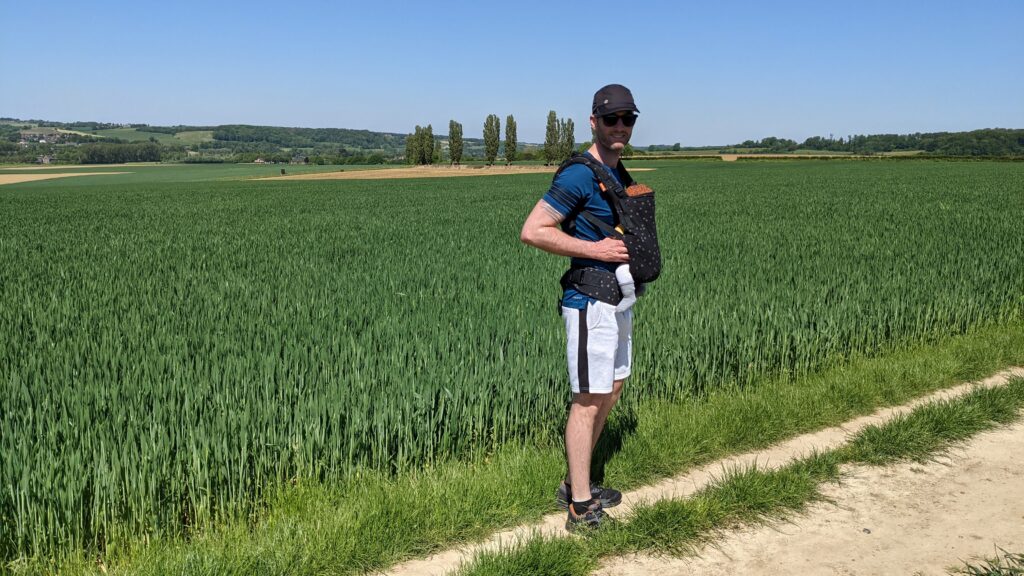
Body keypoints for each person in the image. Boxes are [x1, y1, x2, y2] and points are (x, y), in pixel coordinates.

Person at [519, 83, 642, 530]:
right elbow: (533, 230)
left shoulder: (617, 171)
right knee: (588, 399)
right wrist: (599, 252)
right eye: (612, 119)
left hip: (618, 300)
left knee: (612, 389)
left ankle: (578, 481)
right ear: (594, 122)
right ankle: (579, 506)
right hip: (588, 300)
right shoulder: (578, 174)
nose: (620, 126)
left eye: (628, 118)